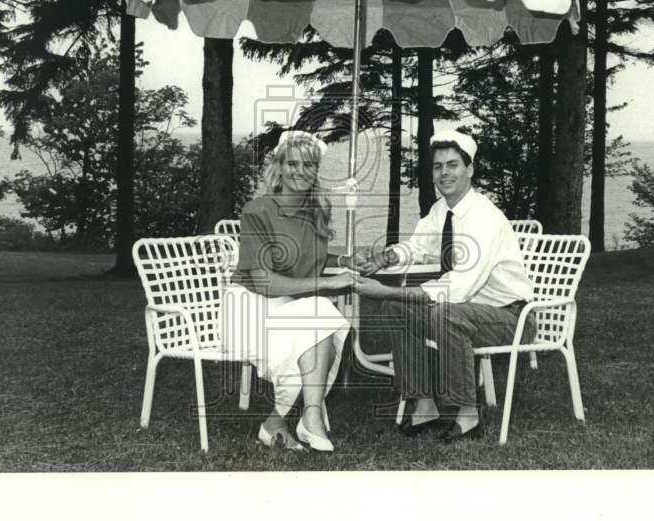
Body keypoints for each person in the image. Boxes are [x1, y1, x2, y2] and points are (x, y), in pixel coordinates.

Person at [351, 129, 536, 443]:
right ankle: (424, 405)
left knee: (443, 312)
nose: (444, 173)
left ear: (470, 170)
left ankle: (468, 414)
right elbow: (416, 246)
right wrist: (383, 259)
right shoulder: (441, 211)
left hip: (512, 318)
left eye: (453, 165)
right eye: (438, 167)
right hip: (469, 311)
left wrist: (386, 290)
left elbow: (458, 288)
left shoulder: (484, 217)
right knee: (397, 308)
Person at [222, 131, 353, 452]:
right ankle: (302, 419)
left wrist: (344, 260)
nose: (300, 171)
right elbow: (265, 281)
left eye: (309, 165)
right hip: (250, 308)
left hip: (289, 304)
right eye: (293, 163)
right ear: (279, 167)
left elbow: (307, 258)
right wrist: (328, 283)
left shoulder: (315, 210)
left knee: (320, 317)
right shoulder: (258, 210)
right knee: (322, 314)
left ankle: (297, 419)